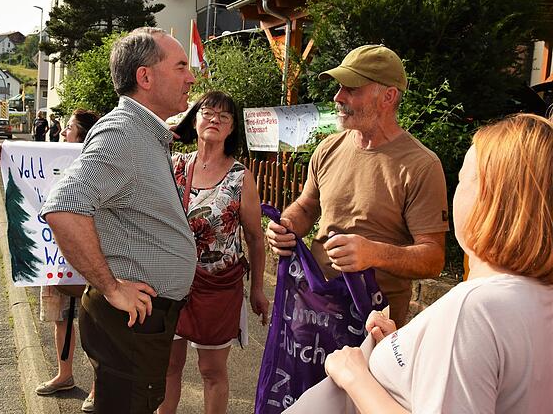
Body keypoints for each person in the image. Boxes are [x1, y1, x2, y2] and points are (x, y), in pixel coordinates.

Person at [322, 113, 553, 413]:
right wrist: (410, 352)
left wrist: (354, 376)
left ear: (491, 198)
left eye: (462, 178)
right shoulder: (536, 298)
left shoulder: (474, 309)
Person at [41, 27, 197, 413]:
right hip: (132, 319)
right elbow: (62, 207)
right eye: (180, 66)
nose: (192, 77)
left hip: (141, 320)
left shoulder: (143, 132)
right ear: (145, 77)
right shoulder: (123, 133)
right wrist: (111, 287)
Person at [265, 45, 449, 327]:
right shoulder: (329, 147)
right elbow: (307, 206)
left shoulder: (421, 165)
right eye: (339, 87)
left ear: (388, 96)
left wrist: (373, 254)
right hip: (315, 307)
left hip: (374, 324)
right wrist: (286, 227)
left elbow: (433, 258)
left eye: (352, 89)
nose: (338, 97)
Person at [157, 91, 269, 414]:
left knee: (212, 371)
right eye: (208, 112)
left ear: (233, 128)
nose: (215, 120)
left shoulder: (240, 177)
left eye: (225, 116)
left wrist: (258, 289)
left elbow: (255, 238)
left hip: (217, 287)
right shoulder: (175, 164)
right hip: (173, 283)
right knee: (168, 366)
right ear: (196, 118)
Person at [0, 108, 101, 412]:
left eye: (69, 128)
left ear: (83, 136)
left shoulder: (100, 166)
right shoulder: (46, 160)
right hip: (55, 257)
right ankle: (64, 374)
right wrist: (9, 157)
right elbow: (27, 189)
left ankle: (97, 387)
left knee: (96, 323)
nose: (63, 133)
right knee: (60, 318)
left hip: (90, 258)